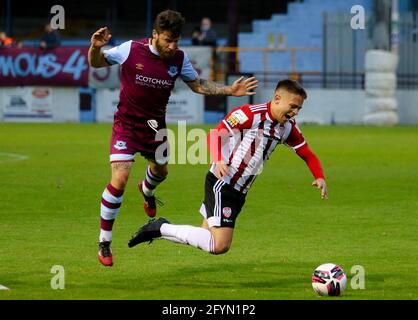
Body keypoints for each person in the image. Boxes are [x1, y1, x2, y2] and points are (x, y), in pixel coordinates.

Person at [88, 10, 258, 267]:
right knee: (119, 178)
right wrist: (94, 48)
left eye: (176, 40)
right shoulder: (130, 50)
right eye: (168, 40)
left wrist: (229, 90)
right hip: (127, 126)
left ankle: (147, 190)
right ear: (154, 35)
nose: (172, 46)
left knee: (161, 172)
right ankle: (104, 241)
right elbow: (97, 63)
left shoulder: (179, 58)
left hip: (156, 128)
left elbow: (197, 84)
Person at [128, 79, 328, 255]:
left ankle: (158, 229)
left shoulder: (288, 128)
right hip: (223, 183)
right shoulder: (249, 114)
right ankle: (161, 228)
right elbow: (214, 135)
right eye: (292, 106)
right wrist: (219, 159)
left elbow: (307, 154)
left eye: (299, 108)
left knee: (205, 236)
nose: (295, 112)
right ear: (277, 98)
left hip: (240, 190)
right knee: (220, 245)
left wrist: (319, 177)